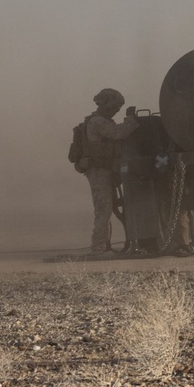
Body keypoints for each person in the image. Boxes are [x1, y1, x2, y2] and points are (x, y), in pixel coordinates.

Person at [83, 88, 139, 259]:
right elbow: (118, 133)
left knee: (107, 208)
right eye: (115, 107)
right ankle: (98, 248)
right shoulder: (98, 122)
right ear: (106, 105)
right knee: (103, 209)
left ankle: (103, 245)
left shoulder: (100, 120)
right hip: (100, 172)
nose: (116, 111)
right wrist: (131, 120)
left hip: (104, 171)